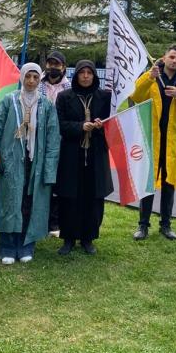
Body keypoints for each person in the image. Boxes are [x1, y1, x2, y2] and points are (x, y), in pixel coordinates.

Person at [0, 63, 60, 264]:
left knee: (29, 203)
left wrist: (49, 170)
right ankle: (7, 246)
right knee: (10, 203)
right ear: (22, 77)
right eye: (28, 76)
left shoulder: (46, 105)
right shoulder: (9, 101)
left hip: (36, 163)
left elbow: (53, 140)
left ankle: (25, 245)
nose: (31, 81)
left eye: (35, 77)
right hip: (12, 161)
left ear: (39, 79)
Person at [131, 45, 176, 241]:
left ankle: (166, 225)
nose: (174, 61)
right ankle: (143, 225)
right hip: (152, 138)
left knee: (169, 183)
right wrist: (148, 78)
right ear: (164, 57)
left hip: (173, 140)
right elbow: (135, 96)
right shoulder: (152, 75)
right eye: (172, 57)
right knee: (148, 182)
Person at [55, 60, 113, 255]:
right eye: (82, 72)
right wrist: (80, 126)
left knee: (93, 198)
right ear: (77, 75)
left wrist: (101, 126)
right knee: (69, 197)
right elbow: (60, 124)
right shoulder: (65, 97)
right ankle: (68, 238)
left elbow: (113, 124)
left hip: (96, 154)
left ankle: (88, 238)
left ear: (94, 75)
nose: (86, 76)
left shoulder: (105, 97)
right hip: (72, 154)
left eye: (89, 72)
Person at [39, 50, 71, 236]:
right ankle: (39, 220)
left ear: (63, 67)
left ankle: (55, 222)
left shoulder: (69, 88)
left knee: (57, 182)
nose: (53, 67)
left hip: (61, 142)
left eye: (57, 64)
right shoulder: (37, 84)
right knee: (40, 181)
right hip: (39, 140)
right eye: (50, 63)